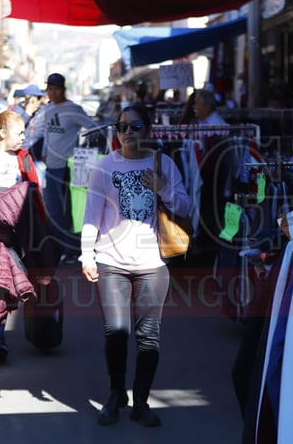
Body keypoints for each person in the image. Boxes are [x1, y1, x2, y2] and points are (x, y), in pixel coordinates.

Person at [80, 104, 190, 427]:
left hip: (152, 264)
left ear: (149, 131)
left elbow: (186, 205)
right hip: (111, 260)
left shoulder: (163, 163)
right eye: (122, 127)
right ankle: (116, 393)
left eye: (135, 126)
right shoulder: (104, 167)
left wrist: (163, 188)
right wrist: (87, 255)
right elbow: (91, 216)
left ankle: (140, 401)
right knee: (116, 331)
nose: (128, 132)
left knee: (148, 336)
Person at [0, 110, 43, 363]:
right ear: (2, 133)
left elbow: (35, 195)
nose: (23, 138)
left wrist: (42, 231)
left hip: (13, 234)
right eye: (19, 133)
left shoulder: (24, 159)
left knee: (3, 286)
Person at [32, 73, 95, 262]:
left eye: (55, 88)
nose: (51, 92)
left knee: (69, 212)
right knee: (53, 211)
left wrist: (80, 151)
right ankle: (60, 249)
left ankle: (72, 250)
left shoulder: (73, 109)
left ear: (63, 89)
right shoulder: (48, 109)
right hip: (50, 167)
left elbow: (93, 128)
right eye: (49, 88)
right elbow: (46, 134)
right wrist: (44, 151)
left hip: (68, 168)